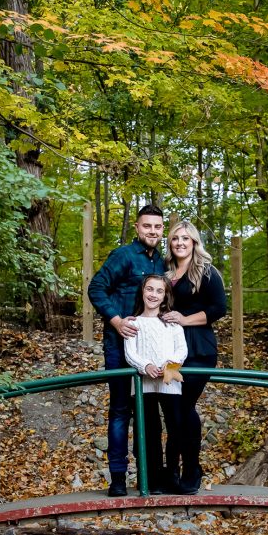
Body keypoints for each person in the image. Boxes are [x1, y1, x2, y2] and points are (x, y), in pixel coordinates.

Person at [87, 204, 165, 496]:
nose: (153, 232)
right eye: (147, 226)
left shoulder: (160, 262)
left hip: (150, 350)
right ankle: (118, 479)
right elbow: (96, 288)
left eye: (157, 227)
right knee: (120, 410)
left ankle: (148, 476)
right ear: (137, 227)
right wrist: (117, 321)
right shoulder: (123, 256)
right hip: (119, 346)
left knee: (148, 412)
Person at [160, 220, 227, 494]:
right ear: (170, 243)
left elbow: (219, 309)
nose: (180, 243)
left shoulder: (207, 272)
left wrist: (185, 319)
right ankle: (171, 470)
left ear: (194, 243)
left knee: (184, 407)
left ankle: (191, 468)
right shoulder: (165, 275)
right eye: (175, 238)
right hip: (170, 350)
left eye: (185, 239)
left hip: (198, 349)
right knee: (173, 410)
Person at [123, 274, 187, 495]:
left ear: (165, 296)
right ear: (142, 291)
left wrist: (169, 364)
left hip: (170, 382)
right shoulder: (133, 323)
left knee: (176, 428)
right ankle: (153, 479)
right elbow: (130, 353)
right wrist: (146, 365)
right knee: (150, 431)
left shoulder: (171, 324)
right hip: (144, 386)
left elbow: (182, 349)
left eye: (159, 291)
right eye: (150, 289)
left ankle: (173, 476)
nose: (153, 295)